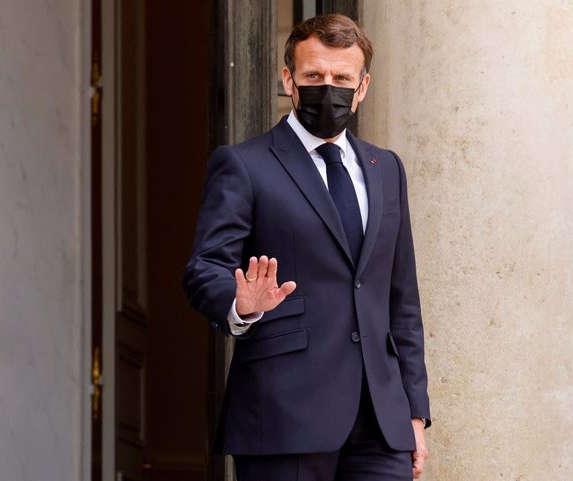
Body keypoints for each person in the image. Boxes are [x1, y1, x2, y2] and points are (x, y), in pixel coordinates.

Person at [183, 13, 430, 481]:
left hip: (381, 425)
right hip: (284, 416)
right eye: (314, 76)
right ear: (288, 80)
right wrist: (241, 302)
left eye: (342, 78)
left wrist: (414, 414)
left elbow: (402, 301)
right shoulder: (243, 164)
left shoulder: (386, 169)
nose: (328, 88)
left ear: (363, 87)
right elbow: (204, 267)